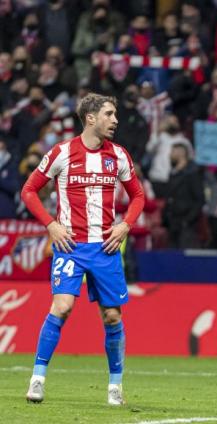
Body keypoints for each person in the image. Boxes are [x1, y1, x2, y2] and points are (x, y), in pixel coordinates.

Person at [21, 93, 145, 405]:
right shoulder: (61, 152)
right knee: (61, 307)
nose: (115, 120)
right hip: (70, 245)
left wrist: (125, 224)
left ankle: (115, 386)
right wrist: (51, 224)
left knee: (113, 317)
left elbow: (139, 196)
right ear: (90, 118)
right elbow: (29, 190)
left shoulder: (118, 155)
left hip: (104, 248)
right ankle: (37, 379)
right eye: (109, 114)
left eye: (114, 114)